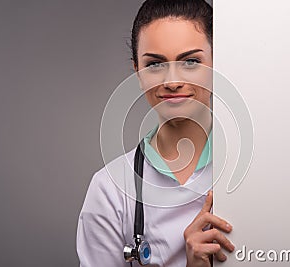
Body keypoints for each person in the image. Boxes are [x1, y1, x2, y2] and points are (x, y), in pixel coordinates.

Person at [76, 1, 234, 266]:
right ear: (137, 72)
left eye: (191, 61)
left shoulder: (260, 171)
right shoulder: (110, 190)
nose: (172, 81)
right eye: (155, 64)